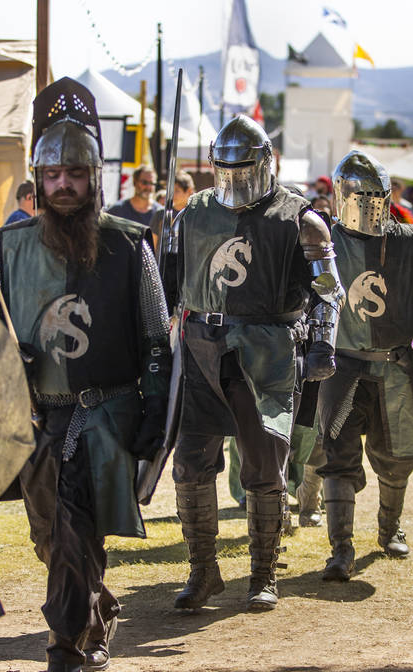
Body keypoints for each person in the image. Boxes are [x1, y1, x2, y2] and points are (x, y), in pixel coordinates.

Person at [0, 78, 171, 672]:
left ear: (94, 176)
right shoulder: (9, 248)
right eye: (52, 173)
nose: (63, 183)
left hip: (107, 412)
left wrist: (153, 417)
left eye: (75, 171)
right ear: (36, 179)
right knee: (55, 538)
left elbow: (155, 339)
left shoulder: (127, 245)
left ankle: (64, 655)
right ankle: (95, 609)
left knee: (71, 530)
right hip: (40, 416)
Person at [168, 114, 344, 611]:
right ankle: (203, 570)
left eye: (243, 165)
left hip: (266, 348)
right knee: (189, 463)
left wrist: (322, 345)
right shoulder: (193, 214)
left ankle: (263, 572)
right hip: (202, 345)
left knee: (264, 465)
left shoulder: (301, 218)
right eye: (225, 166)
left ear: (266, 162)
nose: (235, 176)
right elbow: (168, 286)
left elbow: (329, 292)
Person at [317, 151, 413, 580]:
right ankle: (340, 549)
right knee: (337, 456)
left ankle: (389, 528)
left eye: (376, 196)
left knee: (398, 454)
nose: (369, 204)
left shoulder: (410, 242)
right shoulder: (323, 240)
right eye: (361, 196)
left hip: (395, 366)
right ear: (343, 195)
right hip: (340, 367)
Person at [149, 170, 195, 260]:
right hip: (162, 267)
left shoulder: (194, 215)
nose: (172, 194)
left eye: (177, 190)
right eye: (170, 190)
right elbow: (151, 245)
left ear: (189, 191)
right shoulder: (161, 214)